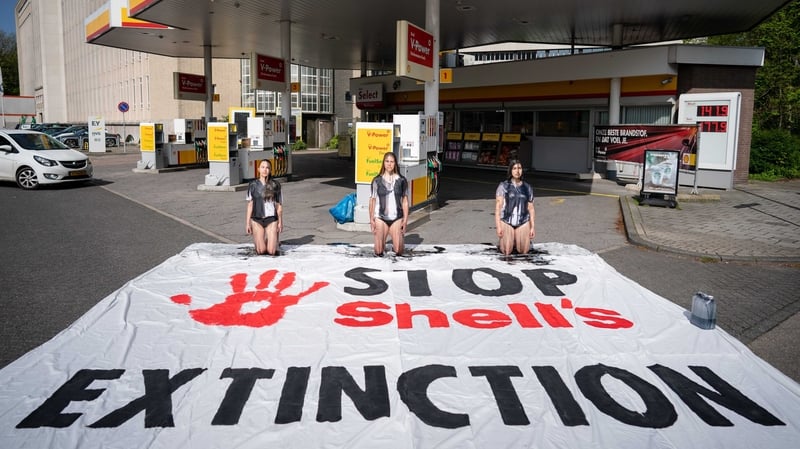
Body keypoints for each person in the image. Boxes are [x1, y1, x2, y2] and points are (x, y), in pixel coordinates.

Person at [369, 152, 409, 256]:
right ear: (383, 163)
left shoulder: (402, 180)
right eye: (387, 161)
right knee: (378, 251)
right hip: (380, 218)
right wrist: (371, 219)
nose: (389, 164)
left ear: (395, 163)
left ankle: (397, 241)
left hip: (396, 218)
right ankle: (381, 242)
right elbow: (372, 200)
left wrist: (405, 220)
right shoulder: (376, 180)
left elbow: (405, 201)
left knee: (399, 250)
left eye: (392, 161)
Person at [495, 159, 536, 255]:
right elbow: (498, 208)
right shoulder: (503, 186)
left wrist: (532, 227)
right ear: (510, 170)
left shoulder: (527, 187)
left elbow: (531, 209)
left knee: (523, 251)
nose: (517, 171)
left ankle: (520, 240)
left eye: (519, 168)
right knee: (507, 250)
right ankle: (509, 240)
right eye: (514, 168)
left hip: (523, 221)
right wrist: (498, 227)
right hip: (507, 221)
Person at [246, 159, 283, 255]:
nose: (265, 170)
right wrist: (248, 223)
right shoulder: (252, 185)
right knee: (261, 251)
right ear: (258, 169)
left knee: (271, 251)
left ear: (270, 170)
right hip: (257, 219)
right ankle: (262, 241)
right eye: (262, 167)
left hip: (271, 219)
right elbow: (250, 204)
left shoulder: (275, 185)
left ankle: (274, 240)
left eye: (267, 168)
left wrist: (280, 222)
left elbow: (279, 205)